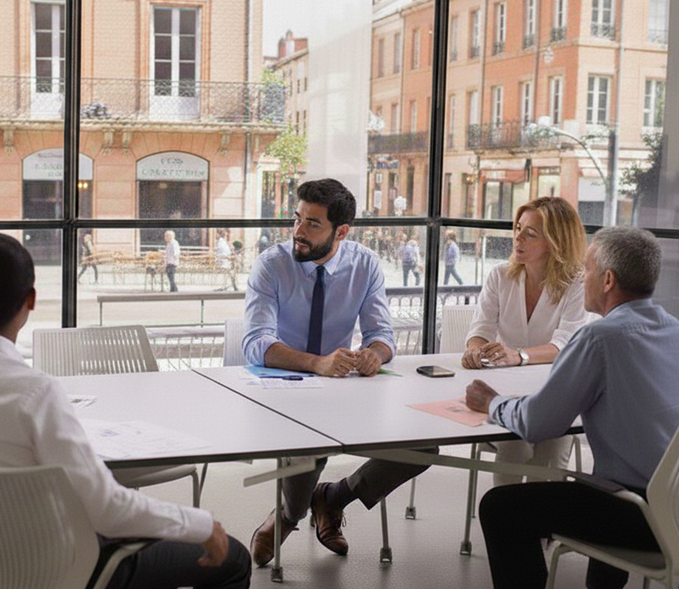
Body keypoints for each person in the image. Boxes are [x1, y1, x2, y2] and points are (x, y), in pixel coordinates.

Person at [0, 233, 250, 589]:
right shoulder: (33, 392)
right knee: (235, 559)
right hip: (66, 569)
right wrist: (200, 524)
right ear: (30, 300)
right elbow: (108, 511)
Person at [466, 227, 679, 589]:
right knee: (600, 486)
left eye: (587, 268)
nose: (582, 278)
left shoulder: (599, 338)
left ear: (607, 280)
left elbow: (537, 424)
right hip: (672, 507)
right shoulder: (673, 330)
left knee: (500, 508)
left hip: (642, 516)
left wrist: (492, 402)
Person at [242, 178, 432, 566]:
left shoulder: (365, 265)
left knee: (423, 446)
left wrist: (374, 354)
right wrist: (317, 363)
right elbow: (256, 342)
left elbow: (382, 335)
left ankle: (333, 497)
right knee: (308, 443)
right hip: (284, 391)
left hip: (344, 390)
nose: (298, 231)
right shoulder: (272, 265)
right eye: (297, 219)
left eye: (312, 224)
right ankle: (289, 516)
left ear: (341, 232)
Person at [462, 197, 589, 486]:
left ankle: (540, 515)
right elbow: (480, 330)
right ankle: (506, 513)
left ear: (556, 243)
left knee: (552, 448)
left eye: (530, 233)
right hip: (505, 393)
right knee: (514, 444)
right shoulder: (500, 276)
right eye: (518, 228)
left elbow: (565, 344)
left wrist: (518, 355)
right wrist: (475, 350)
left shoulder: (578, 284)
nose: (517, 238)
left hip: (556, 394)